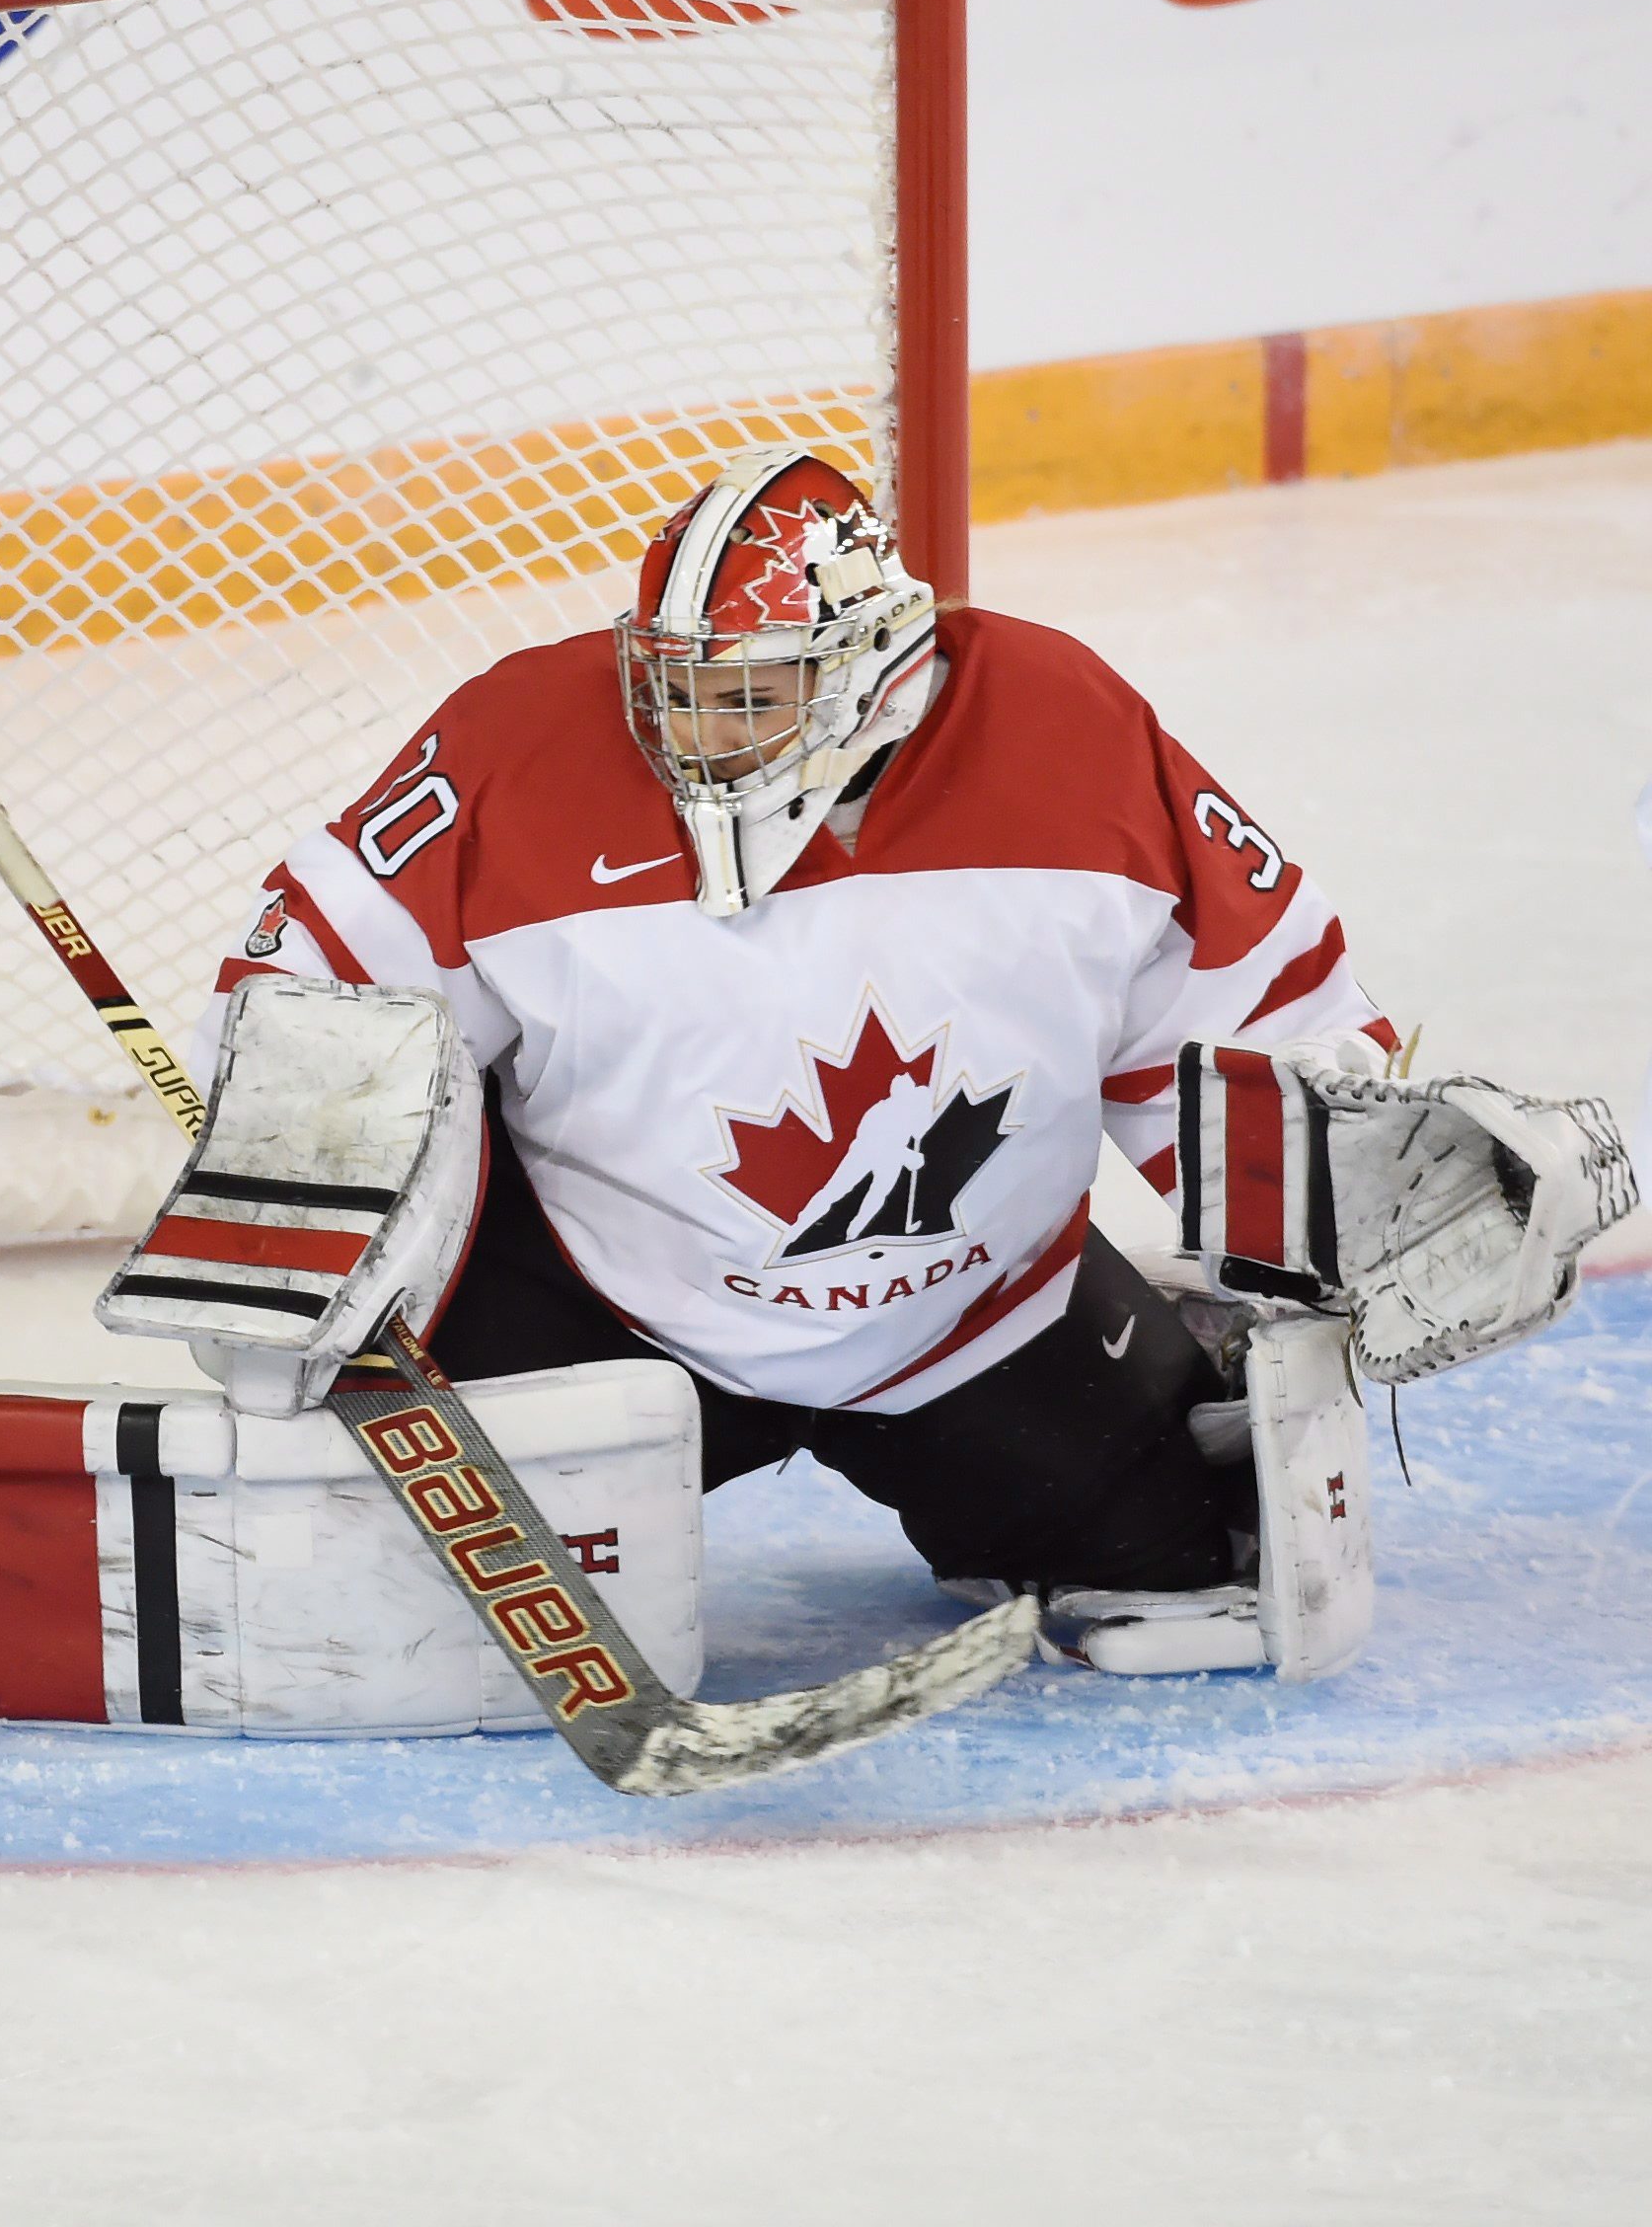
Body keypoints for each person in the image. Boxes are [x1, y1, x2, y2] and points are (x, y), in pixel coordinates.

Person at [209, 447, 1399, 1648]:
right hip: (605, 1302)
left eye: (747, 695)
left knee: (1181, 1562)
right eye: (673, 688)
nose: (692, 732)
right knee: (371, 1591)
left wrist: (1349, 1204)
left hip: (972, 1314)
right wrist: (284, 1240)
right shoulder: (515, 742)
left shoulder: (1066, 727)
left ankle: (1157, 1356)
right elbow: (312, 986)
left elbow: (1250, 1001)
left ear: (871, 671)